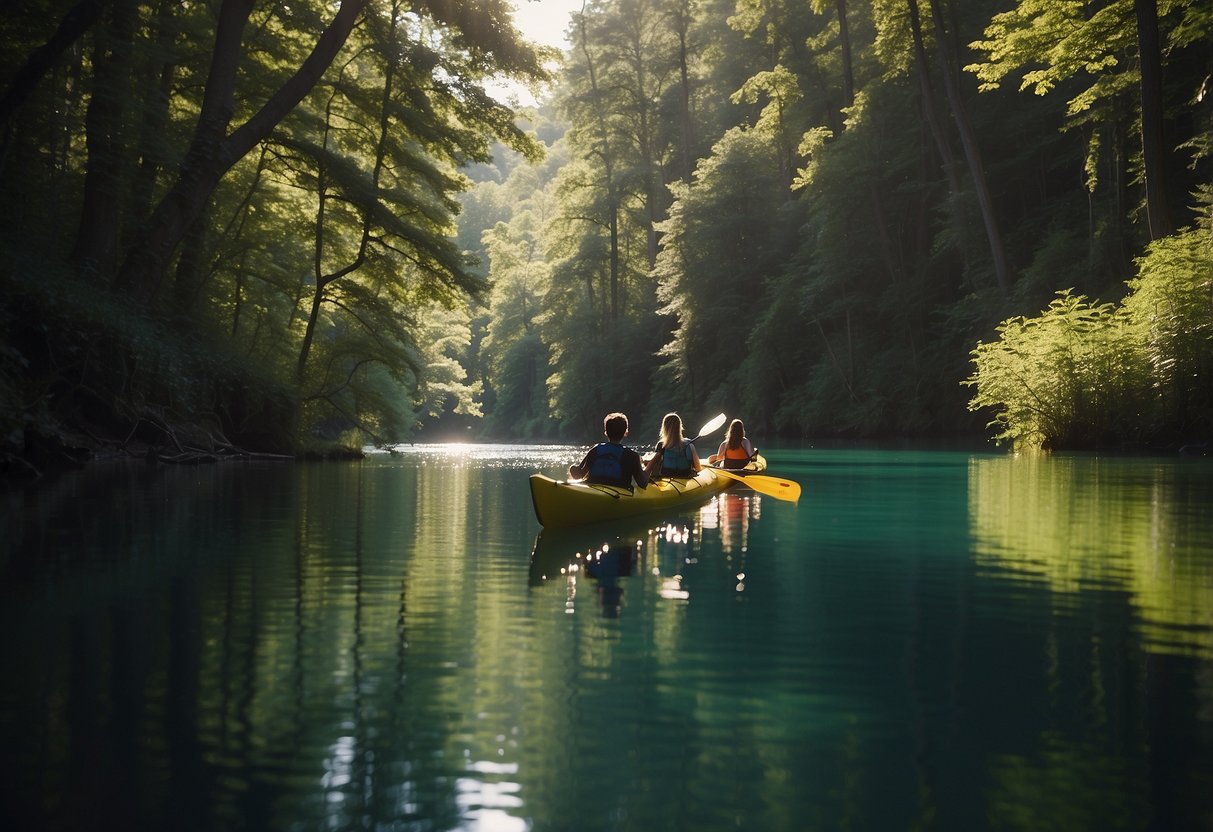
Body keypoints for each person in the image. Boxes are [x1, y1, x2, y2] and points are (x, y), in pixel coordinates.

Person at [569, 412, 649, 489]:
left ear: (606, 433)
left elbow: (579, 475)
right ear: (626, 433)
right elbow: (643, 483)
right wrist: (650, 465)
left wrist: (572, 468)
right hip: (619, 494)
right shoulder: (632, 456)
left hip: (594, 491)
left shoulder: (595, 450)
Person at [644, 412, 702, 479]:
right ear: (680, 427)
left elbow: (653, 463)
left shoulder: (662, 445)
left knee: (657, 461)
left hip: (667, 477)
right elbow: (698, 468)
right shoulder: (689, 444)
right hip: (685, 477)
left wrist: (645, 473)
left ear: (664, 428)